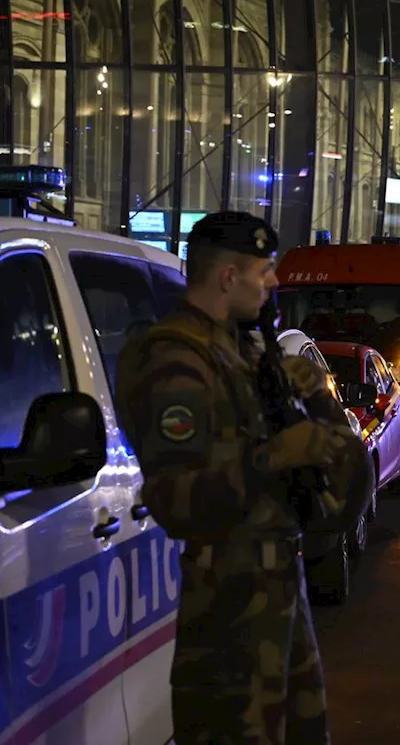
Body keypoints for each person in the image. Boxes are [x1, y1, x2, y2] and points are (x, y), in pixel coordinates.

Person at [114, 211, 372, 744]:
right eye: (265, 271)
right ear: (228, 277)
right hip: (228, 616)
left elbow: (347, 475)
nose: (274, 283)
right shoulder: (175, 362)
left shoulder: (243, 353)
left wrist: (317, 400)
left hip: (278, 595)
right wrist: (274, 456)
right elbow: (175, 500)